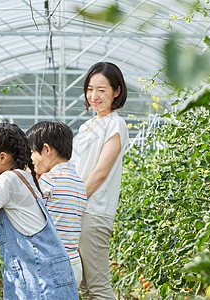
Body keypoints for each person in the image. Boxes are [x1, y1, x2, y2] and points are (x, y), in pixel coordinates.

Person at [0, 122, 79, 299]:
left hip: (39, 279)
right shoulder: (21, 178)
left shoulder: (8, 180)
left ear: (2, 158)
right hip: (39, 276)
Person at [69, 62, 129, 299]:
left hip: (93, 211)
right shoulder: (86, 126)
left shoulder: (115, 123)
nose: (94, 96)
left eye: (102, 90)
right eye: (90, 89)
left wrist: (74, 201)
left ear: (117, 91)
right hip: (80, 210)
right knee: (85, 287)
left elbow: (101, 171)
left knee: (98, 287)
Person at [26, 121, 87, 286]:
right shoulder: (78, 182)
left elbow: (27, 211)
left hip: (53, 263)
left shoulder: (48, 181)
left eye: (32, 152)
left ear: (46, 149)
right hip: (73, 261)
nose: (30, 160)